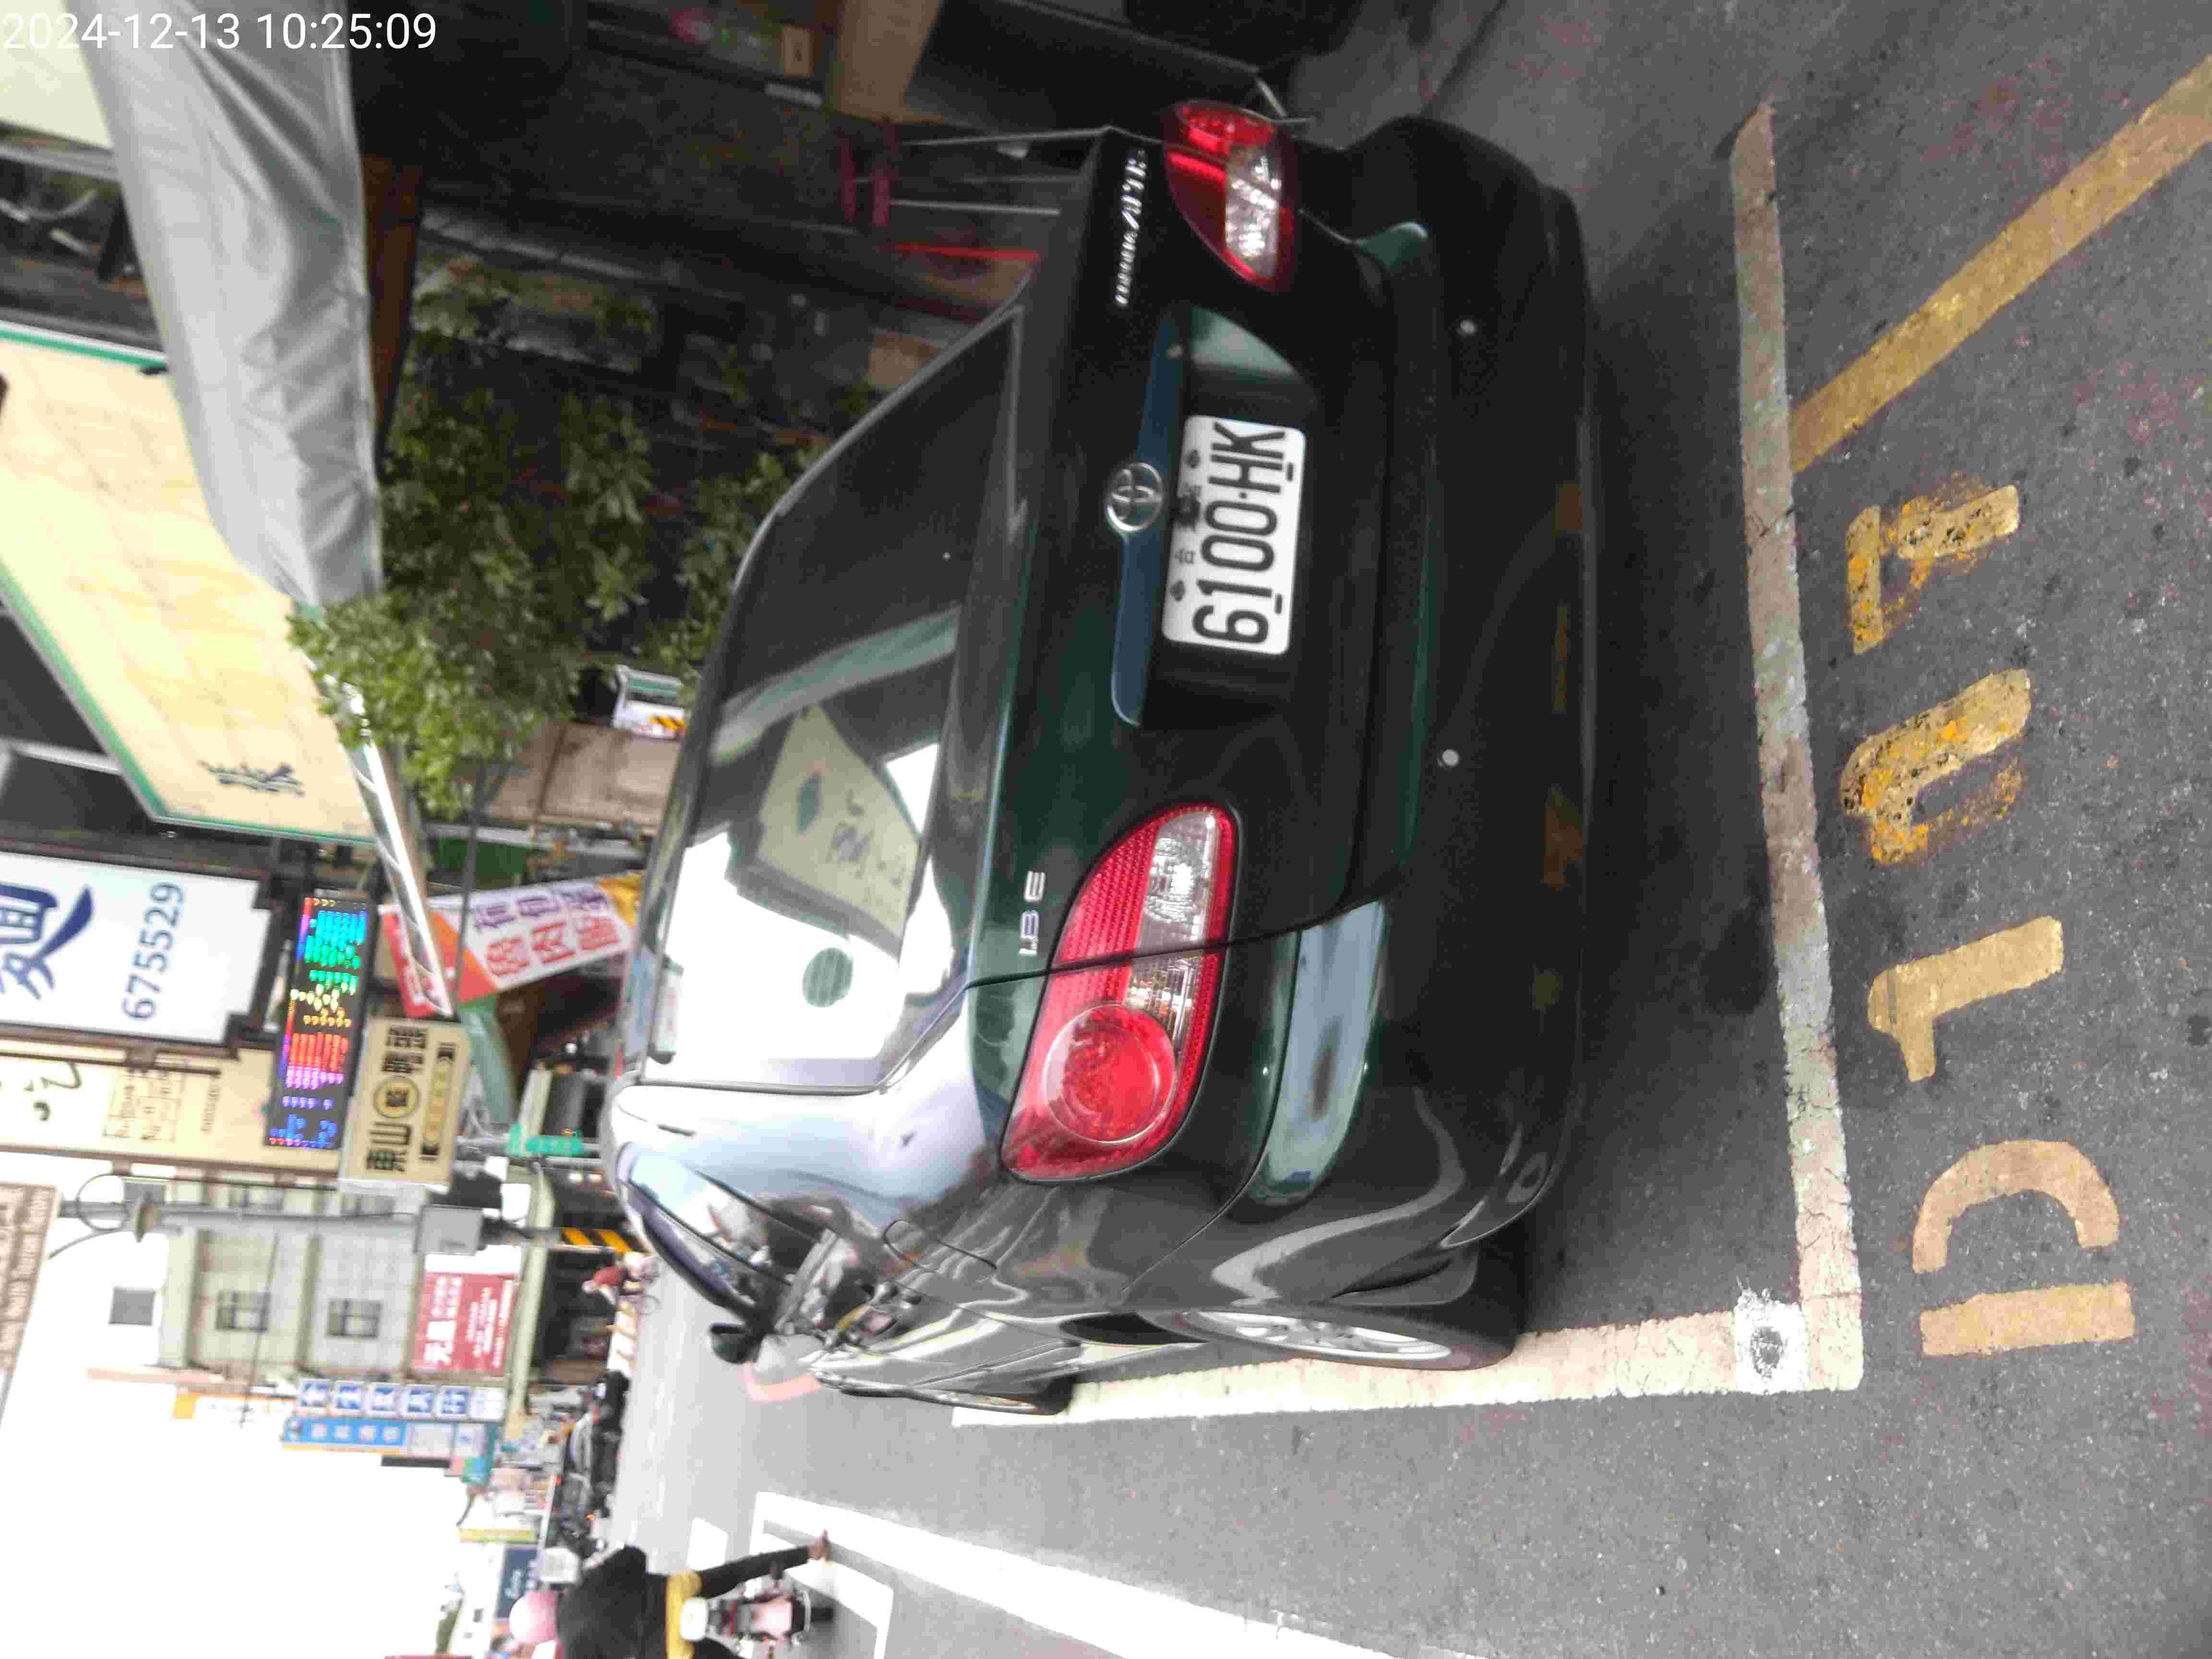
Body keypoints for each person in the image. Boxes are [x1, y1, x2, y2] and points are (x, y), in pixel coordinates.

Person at [523, 1532, 830, 1659]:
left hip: (670, 1647)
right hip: (676, 1592)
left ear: (545, 1636)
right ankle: (811, 1552)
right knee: (739, 1571)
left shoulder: (574, 1651)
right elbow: (635, 1557)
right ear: (547, 1598)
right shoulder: (587, 1583)